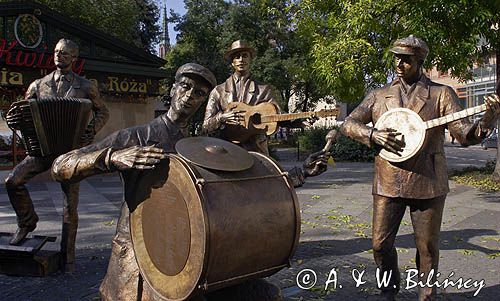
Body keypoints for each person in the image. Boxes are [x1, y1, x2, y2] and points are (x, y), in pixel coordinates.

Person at [52, 63, 329, 300]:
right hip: (145, 254)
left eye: (198, 93)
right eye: (184, 87)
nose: (189, 96)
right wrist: (114, 157)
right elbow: (60, 166)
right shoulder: (138, 136)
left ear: (202, 102)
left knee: (266, 294)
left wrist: (301, 172)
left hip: (197, 255)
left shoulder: (206, 146)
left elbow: (252, 183)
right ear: (172, 90)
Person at [340, 35, 500, 301]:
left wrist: (489, 117)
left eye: (406, 59)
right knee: (380, 244)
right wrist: (372, 135)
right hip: (388, 179)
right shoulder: (379, 96)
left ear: (420, 61)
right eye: (396, 57)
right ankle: (388, 290)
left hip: (427, 180)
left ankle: (427, 295)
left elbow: (464, 135)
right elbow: (348, 123)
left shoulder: (441, 94)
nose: (399, 63)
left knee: (426, 247)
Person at [4, 38, 109, 270]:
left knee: (69, 206)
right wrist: (13, 120)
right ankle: (27, 222)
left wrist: (91, 130)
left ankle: (68, 257)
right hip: (43, 150)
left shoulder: (85, 86)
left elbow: (103, 112)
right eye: (56, 52)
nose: (59, 56)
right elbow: (22, 114)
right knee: (13, 181)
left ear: (74, 58)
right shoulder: (37, 85)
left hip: (71, 153)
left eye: (64, 53)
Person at [202, 40, 281, 155]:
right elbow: (205, 126)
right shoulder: (218, 91)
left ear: (250, 60)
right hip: (226, 150)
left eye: (245, 56)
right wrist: (221, 118)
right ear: (232, 62)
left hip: (256, 150)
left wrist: (299, 121)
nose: (241, 60)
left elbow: (278, 115)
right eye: (237, 56)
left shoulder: (264, 89)